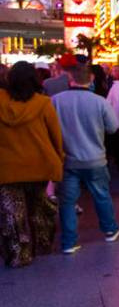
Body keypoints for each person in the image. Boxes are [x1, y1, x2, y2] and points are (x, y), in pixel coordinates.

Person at [51, 61, 119, 254]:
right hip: (95, 159)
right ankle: (110, 230)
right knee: (101, 196)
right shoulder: (100, 101)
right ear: (91, 79)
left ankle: (69, 242)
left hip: (67, 161)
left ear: (70, 78)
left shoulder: (55, 101)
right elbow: (113, 127)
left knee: (67, 202)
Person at [0, 62, 64, 267]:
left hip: (7, 167)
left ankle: (19, 254)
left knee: (13, 214)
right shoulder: (43, 103)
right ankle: (43, 245)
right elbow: (55, 136)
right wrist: (58, 158)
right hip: (39, 165)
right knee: (38, 208)